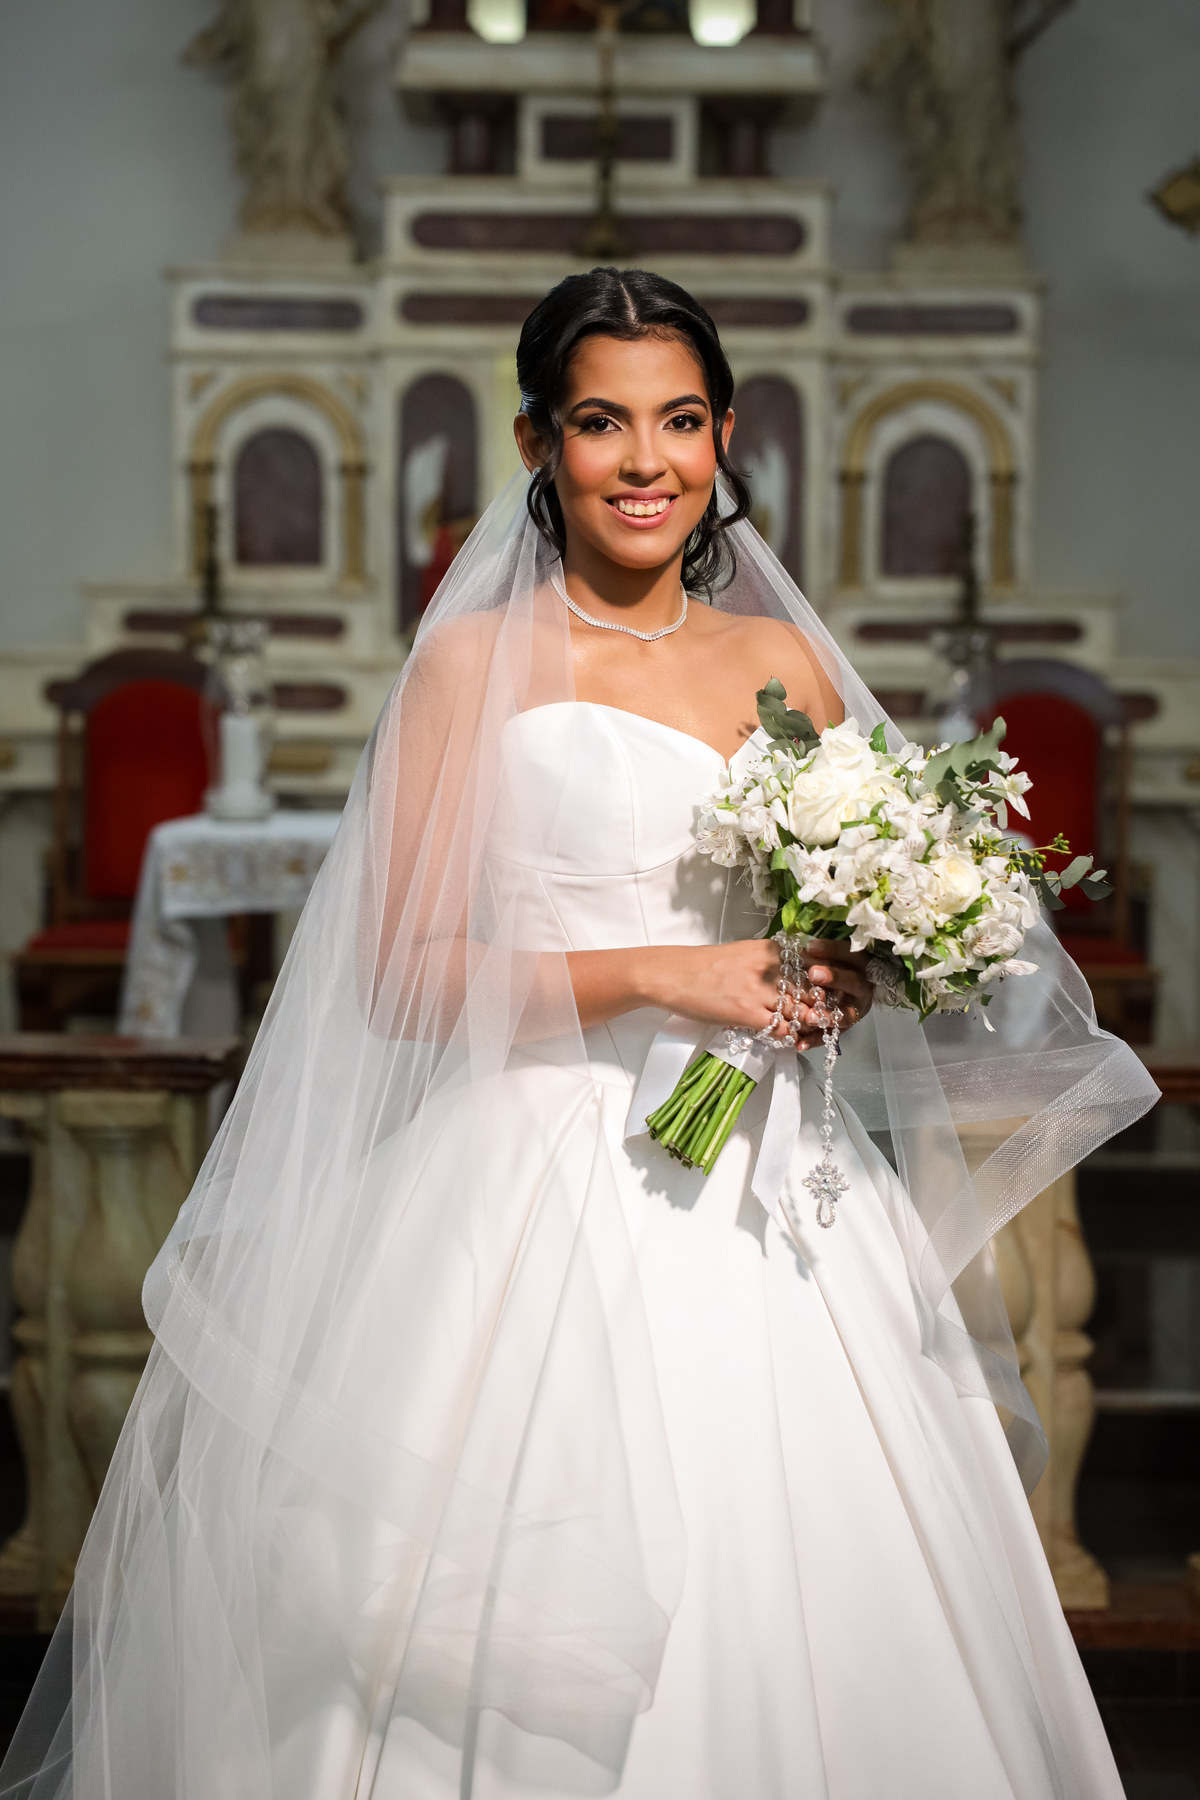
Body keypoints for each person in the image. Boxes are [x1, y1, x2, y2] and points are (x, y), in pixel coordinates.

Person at [1, 269, 1157, 1799]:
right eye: (603, 423)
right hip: (531, 1159)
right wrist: (678, 977)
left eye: (679, 421)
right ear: (540, 442)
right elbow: (406, 978)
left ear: (726, 435)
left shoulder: (789, 669)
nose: (644, 462)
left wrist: (841, 969)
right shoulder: (471, 664)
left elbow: (827, 912)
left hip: (763, 1173)